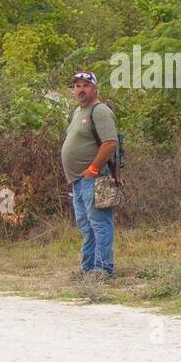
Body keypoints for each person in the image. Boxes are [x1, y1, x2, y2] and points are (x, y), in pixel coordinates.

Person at [60, 71, 119, 279]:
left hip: (94, 179)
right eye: (77, 86)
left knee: (99, 223)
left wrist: (93, 168)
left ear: (94, 89)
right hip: (77, 180)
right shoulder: (78, 111)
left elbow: (110, 143)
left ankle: (103, 270)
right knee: (86, 225)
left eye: (85, 85)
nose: (80, 89)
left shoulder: (100, 111)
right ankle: (88, 268)